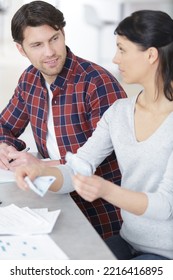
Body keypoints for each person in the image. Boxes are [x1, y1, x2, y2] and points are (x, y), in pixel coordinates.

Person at [15, 9, 173, 260]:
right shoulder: (119, 113)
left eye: (122, 49)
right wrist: (41, 171)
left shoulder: (100, 84)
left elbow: (165, 206)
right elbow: (78, 166)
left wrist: (105, 189)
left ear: (151, 55)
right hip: (130, 239)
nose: (115, 59)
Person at [0, 1, 126, 239]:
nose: (49, 52)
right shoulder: (29, 79)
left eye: (54, 39)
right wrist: (4, 147)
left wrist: (42, 166)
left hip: (101, 217)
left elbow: (108, 158)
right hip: (53, 201)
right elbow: (4, 126)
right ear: (21, 49)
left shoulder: (97, 83)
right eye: (37, 44)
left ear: (63, 33)